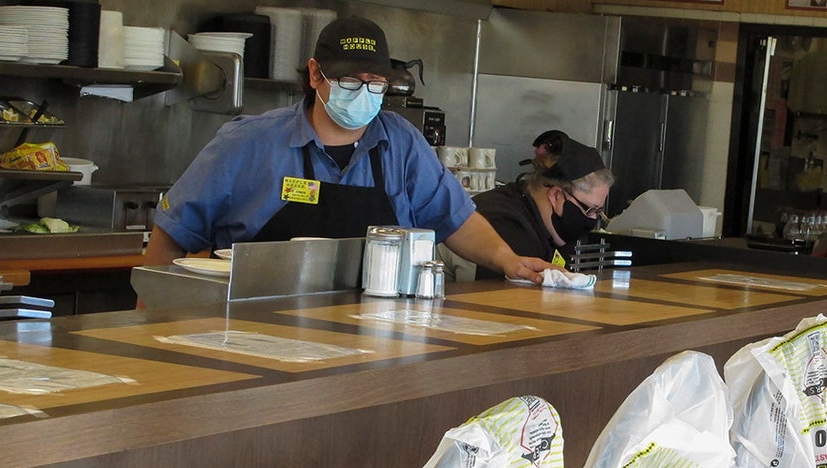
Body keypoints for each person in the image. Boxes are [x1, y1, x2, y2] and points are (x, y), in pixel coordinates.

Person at [142, 16, 552, 285]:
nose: (365, 93)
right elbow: (172, 234)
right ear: (316, 74)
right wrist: (147, 321)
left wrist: (506, 259)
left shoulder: (401, 144)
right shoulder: (246, 144)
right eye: (350, 81)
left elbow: (455, 218)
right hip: (255, 333)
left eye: (375, 83)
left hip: (375, 340)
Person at [469, 132, 614, 278]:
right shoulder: (505, 226)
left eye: (598, 211)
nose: (593, 219)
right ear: (556, 195)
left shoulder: (548, 230)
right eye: (591, 210)